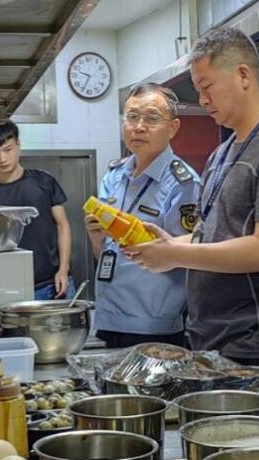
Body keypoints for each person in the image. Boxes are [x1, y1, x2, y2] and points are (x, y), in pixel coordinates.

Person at [125, 29, 259, 389]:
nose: (202, 99)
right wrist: (168, 246)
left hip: (257, 345)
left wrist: (175, 255)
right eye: (198, 89)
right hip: (213, 339)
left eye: (207, 86)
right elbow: (210, 233)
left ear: (243, 75)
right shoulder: (222, 152)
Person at [85, 84, 200, 350]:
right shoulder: (114, 177)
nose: (138, 127)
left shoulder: (182, 183)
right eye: (132, 117)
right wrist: (96, 237)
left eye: (151, 118)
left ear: (173, 128)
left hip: (154, 326)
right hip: (108, 317)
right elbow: (106, 251)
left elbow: (191, 255)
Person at [0, 121, 74, 300]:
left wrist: (63, 269)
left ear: (18, 145)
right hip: (10, 289)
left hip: (53, 283)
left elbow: (63, 225)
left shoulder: (44, 181)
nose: (2, 159)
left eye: (7, 150)